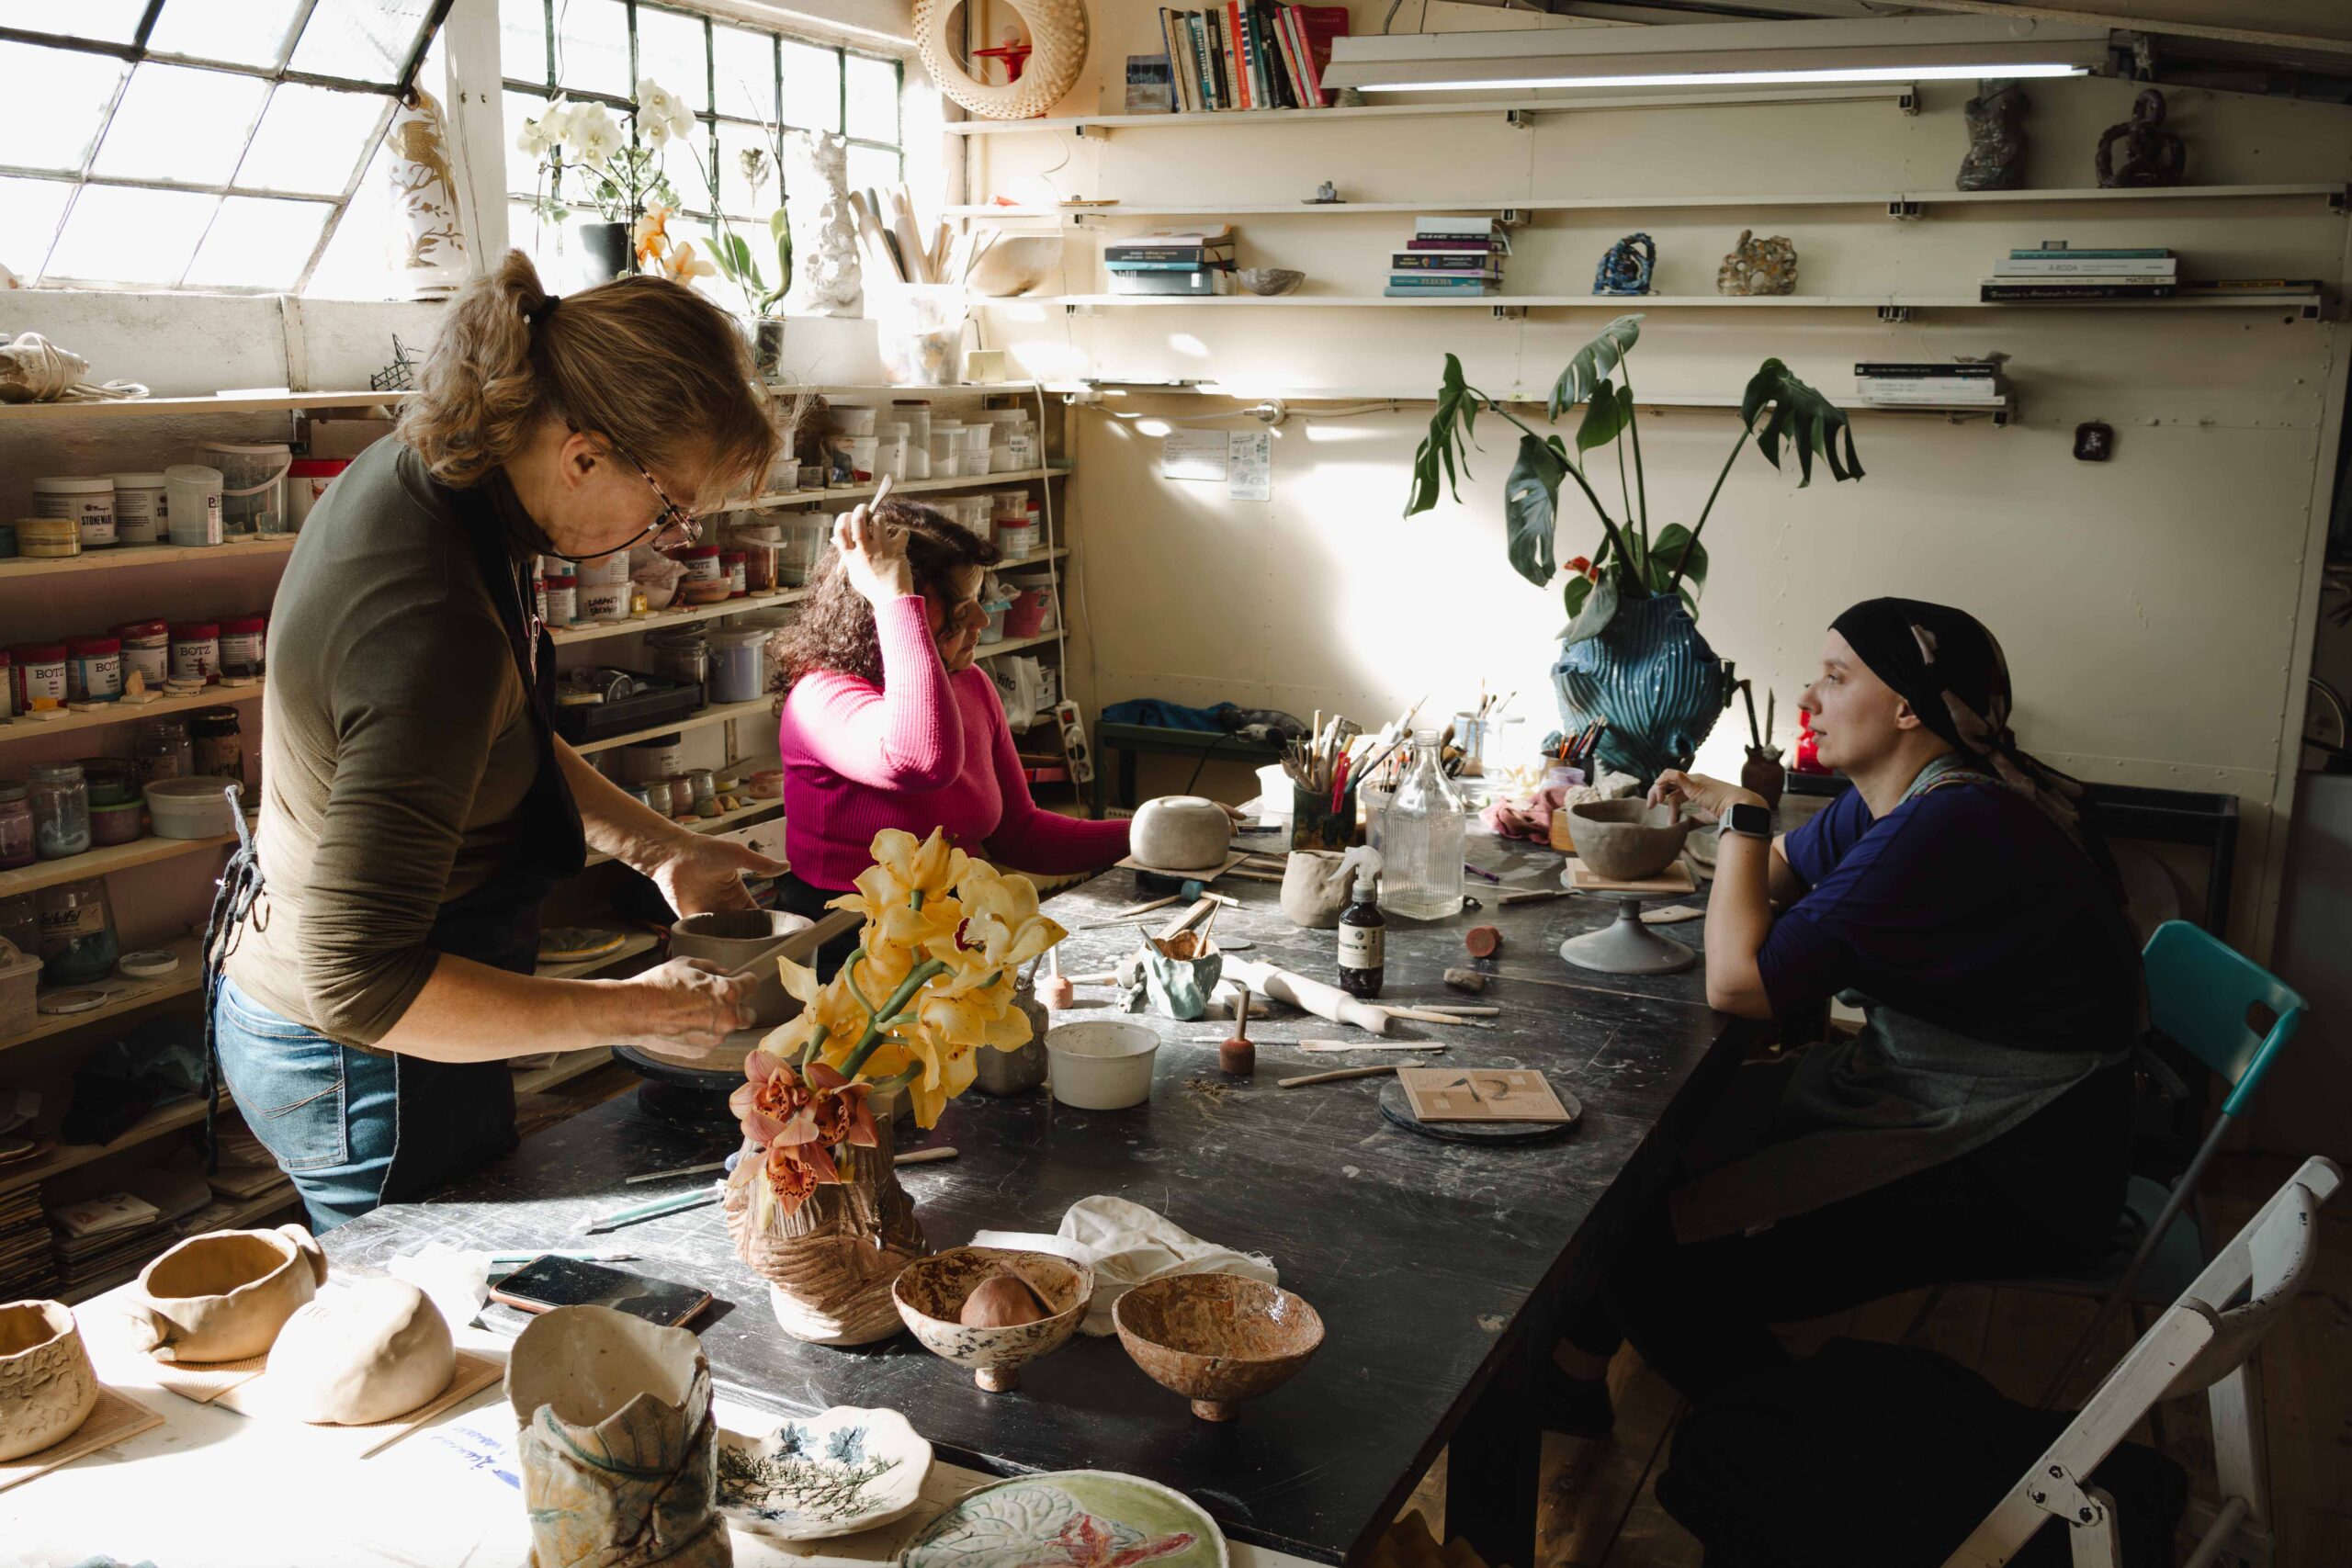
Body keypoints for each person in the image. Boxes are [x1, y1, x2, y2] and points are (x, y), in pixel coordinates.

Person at [212, 251, 787, 1231]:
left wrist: (662, 848)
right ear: (583, 457)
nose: (671, 536)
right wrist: (636, 1007)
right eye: (670, 504)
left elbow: (498, 725)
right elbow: (362, 985)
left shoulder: (446, 480)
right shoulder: (432, 622)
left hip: (378, 1010)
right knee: (426, 1303)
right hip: (367, 1051)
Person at [1550, 597, 2142, 1422]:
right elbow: (1778, 870)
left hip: (2025, 1160)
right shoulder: (1904, 794)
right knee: (1635, 1160)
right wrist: (1741, 822)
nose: (1807, 696)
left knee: (1639, 1234)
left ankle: (1788, 1451)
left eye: (1835, 676)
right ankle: (1571, 1383)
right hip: (1936, 1090)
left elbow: (1737, 983)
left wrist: (1744, 814)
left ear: (1907, 707)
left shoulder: (1951, 819)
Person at [773, 499, 1129, 971]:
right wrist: (894, 599)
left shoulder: (969, 684)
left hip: (952, 937)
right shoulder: (821, 698)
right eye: (962, 610)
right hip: (849, 950)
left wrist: (1148, 833)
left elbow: (1019, 833)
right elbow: (921, 761)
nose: (982, 621)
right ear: (882, 612)